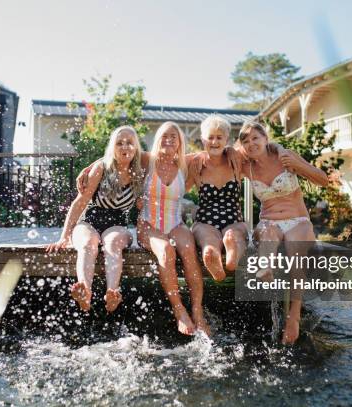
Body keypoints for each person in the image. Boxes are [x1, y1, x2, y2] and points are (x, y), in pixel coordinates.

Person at [237, 121, 328, 345]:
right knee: (267, 232)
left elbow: (322, 180)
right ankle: (265, 268)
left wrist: (297, 163)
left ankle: (294, 316)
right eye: (246, 141)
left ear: (265, 138)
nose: (251, 144)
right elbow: (220, 155)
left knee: (296, 252)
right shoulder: (245, 166)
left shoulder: (285, 157)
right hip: (269, 221)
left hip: (298, 220)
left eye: (255, 138)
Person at [45, 125, 144, 313]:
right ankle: (84, 291)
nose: (125, 147)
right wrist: (64, 237)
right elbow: (79, 203)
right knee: (88, 243)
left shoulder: (140, 171)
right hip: (90, 219)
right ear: (112, 147)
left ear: (136, 147)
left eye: (130, 143)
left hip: (117, 224)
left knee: (112, 242)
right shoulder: (102, 167)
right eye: (119, 143)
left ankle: (112, 292)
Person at [137, 121, 209, 336]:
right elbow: (116, 152)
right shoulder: (145, 160)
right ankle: (179, 310)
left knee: (188, 249)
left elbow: (217, 151)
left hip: (176, 223)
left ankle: (197, 310)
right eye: (165, 136)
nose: (169, 140)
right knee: (167, 250)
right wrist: (89, 168)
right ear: (158, 138)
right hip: (148, 224)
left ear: (180, 142)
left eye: (174, 137)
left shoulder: (185, 164)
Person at [187, 115, 248, 281]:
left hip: (234, 219)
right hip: (205, 221)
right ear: (202, 139)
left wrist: (232, 150)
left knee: (234, 235)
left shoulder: (236, 161)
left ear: (227, 139)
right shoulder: (195, 165)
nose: (214, 142)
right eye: (210, 137)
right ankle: (211, 255)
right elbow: (176, 185)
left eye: (219, 137)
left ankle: (233, 258)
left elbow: (261, 149)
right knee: (208, 239)